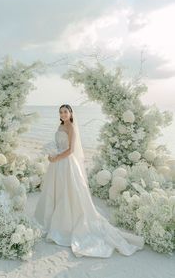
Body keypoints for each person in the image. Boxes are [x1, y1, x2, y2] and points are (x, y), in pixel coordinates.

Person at [34, 104, 145, 258]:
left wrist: (56, 157)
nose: (63, 114)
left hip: (66, 163)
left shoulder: (71, 127)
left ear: (71, 113)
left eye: (65, 112)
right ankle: (51, 219)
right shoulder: (60, 126)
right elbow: (58, 145)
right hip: (57, 165)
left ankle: (64, 224)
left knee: (68, 193)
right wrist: (51, 155)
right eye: (61, 112)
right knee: (55, 192)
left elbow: (71, 150)